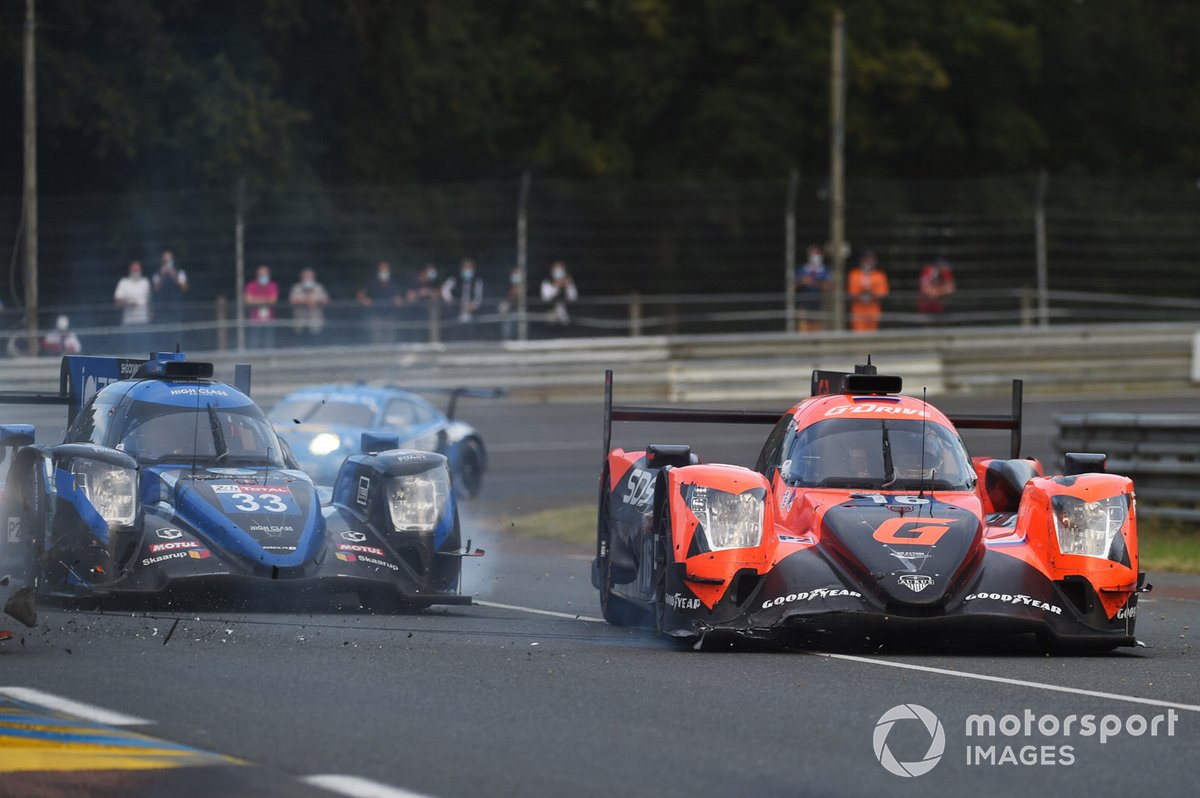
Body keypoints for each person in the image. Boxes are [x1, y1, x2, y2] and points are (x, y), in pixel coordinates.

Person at [356, 260, 403, 344]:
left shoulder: (393, 283)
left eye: (386, 269)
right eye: (382, 269)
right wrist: (364, 300)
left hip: (389, 315)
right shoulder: (372, 282)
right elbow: (360, 294)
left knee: (390, 339)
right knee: (377, 339)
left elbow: (398, 298)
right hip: (375, 316)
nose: (384, 271)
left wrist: (397, 301)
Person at [113, 260, 152, 354]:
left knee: (144, 349)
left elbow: (149, 300)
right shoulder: (124, 282)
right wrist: (128, 303)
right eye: (134, 269)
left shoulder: (145, 282)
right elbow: (117, 302)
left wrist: (150, 311)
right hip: (129, 322)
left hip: (143, 321)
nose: (136, 271)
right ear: (130, 270)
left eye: (137, 269)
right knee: (129, 350)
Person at [847, 250, 889, 333]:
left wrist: (871, 292)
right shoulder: (854, 274)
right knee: (858, 334)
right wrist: (863, 291)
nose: (868, 262)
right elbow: (851, 293)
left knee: (872, 334)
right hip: (858, 310)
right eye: (866, 260)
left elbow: (883, 294)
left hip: (873, 310)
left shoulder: (880, 275)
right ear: (861, 261)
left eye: (871, 260)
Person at [440, 259, 483, 338]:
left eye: (469, 268)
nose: (467, 270)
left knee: (472, 332)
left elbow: (478, 298)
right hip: (456, 311)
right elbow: (444, 289)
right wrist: (450, 300)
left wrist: (472, 306)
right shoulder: (455, 279)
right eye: (465, 268)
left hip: (472, 313)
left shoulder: (477, 281)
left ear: (473, 269)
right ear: (461, 269)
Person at [796, 245, 831, 332]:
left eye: (817, 254)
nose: (816, 256)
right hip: (804, 305)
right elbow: (794, 285)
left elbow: (828, 286)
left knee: (818, 331)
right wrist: (802, 282)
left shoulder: (825, 269)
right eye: (813, 254)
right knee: (803, 330)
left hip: (819, 305)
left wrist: (813, 282)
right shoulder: (802, 269)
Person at [289, 268, 330, 342]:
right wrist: (305, 301)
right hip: (300, 324)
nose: (308, 279)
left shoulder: (319, 287)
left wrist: (316, 301)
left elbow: (326, 300)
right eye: (306, 276)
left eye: (309, 276)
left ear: (313, 278)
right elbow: (292, 300)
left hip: (315, 323)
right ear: (302, 278)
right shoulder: (297, 288)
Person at [244, 264, 279, 349]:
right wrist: (265, 300)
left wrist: (256, 300)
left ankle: (270, 360)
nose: (263, 277)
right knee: (254, 342)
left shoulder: (272, 285)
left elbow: (273, 300)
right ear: (257, 275)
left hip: (269, 320)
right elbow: (248, 300)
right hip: (254, 320)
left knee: (269, 343)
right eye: (261, 275)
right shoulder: (251, 285)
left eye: (265, 275)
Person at [540, 261, 578, 327]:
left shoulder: (569, 283)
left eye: (560, 269)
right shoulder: (546, 282)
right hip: (551, 320)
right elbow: (546, 297)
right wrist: (557, 286)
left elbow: (573, 297)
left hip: (567, 319)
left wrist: (566, 285)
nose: (558, 271)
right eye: (556, 269)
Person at [917, 256, 956, 321]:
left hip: (939, 309)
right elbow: (926, 290)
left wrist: (936, 291)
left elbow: (951, 289)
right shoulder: (928, 270)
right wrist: (942, 290)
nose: (945, 269)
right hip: (925, 308)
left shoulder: (946, 272)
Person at [498, 266, 524, 340]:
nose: (515, 277)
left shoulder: (526, 287)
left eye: (517, 275)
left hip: (521, 313)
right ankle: (507, 341)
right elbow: (503, 301)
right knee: (507, 324)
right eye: (514, 275)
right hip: (509, 313)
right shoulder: (506, 287)